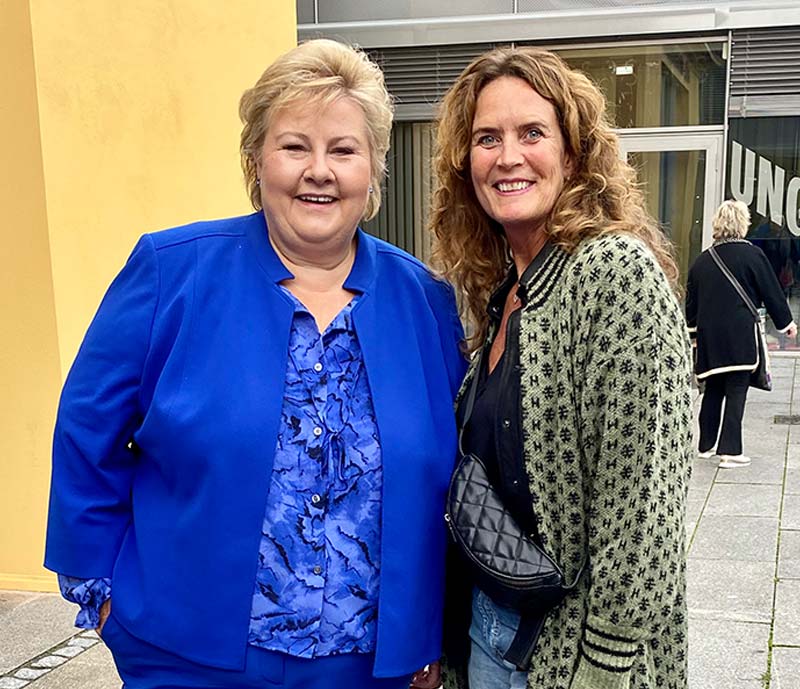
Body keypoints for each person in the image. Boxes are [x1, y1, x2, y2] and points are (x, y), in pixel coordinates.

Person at [44, 39, 466, 689]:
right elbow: (86, 430)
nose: (319, 170)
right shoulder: (170, 273)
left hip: (372, 670)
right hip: (189, 657)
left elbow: (451, 481)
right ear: (256, 159)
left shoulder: (427, 303)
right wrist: (104, 596)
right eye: (295, 145)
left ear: (373, 170)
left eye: (344, 149)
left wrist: (430, 631)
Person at [429, 46, 693, 689]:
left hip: (573, 659)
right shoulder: (503, 294)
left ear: (572, 155)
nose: (508, 156)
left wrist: (604, 668)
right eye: (487, 138)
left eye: (532, 133)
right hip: (492, 635)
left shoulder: (613, 276)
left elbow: (645, 503)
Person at [686, 199, 796, 468]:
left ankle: (706, 445)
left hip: (710, 337)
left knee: (713, 387)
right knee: (736, 388)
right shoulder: (752, 255)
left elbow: (692, 302)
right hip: (739, 335)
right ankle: (730, 451)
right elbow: (771, 290)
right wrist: (786, 324)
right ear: (743, 224)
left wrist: (693, 333)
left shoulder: (703, 260)